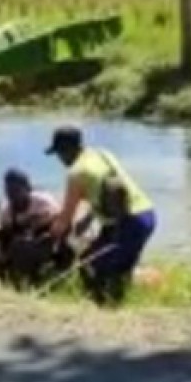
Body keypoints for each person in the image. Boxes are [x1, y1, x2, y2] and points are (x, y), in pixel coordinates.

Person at [46, 126, 156, 305]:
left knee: (90, 264)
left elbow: (64, 221)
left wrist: (50, 236)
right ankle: (120, 299)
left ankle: (102, 306)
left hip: (128, 224)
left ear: (67, 150)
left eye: (59, 153)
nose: (59, 159)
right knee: (119, 267)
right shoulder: (103, 154)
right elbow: (110, 189)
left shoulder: (76, 173)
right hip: (147, 214)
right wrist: (88, 218)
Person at [0, 168, 70, 288]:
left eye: (16, 190)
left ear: (27, 188)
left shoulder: (43, 202)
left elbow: (63, 220)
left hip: (49, 241)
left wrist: (43, 233)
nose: (12, 195)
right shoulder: (7, 214)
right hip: (23, 247)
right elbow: (6, 238)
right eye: (8, 191)